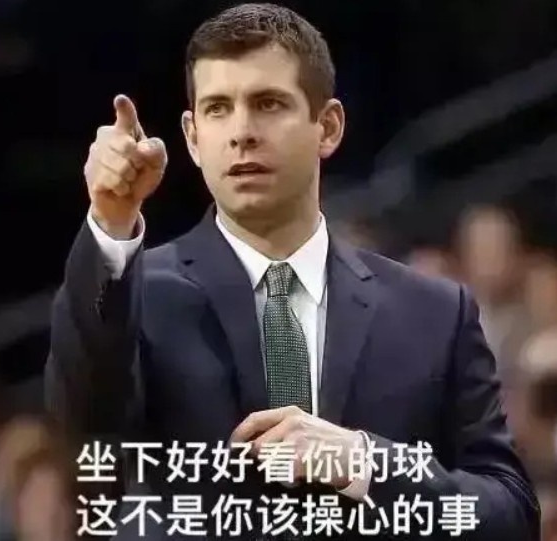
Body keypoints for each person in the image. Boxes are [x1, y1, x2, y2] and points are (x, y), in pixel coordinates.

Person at [45, 3, 540, 539]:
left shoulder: (435, 313)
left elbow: (511, 516)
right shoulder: (136, 295)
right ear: (192, 137)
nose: (242, 132)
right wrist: (110, 222)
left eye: (268, 103)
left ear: (327, 126)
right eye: (218, 109)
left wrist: (367, 465)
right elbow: (82, 429)